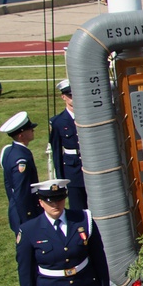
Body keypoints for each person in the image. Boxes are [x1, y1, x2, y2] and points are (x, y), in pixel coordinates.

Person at [0, 111, 41, 233]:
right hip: (25, 213)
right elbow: (21, 191)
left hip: (16, 208)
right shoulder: (20, 160)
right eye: (29, 129)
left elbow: (9, 185)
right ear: (21, 135)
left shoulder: (8, 151)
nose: (32, 130)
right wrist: (28, 217)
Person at [49, 80, 87, 210]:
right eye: (70, 96)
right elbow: (56, 152)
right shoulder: (58, 122)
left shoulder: (89, 117)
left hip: (91, 167)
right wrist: (61, 179)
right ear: (63, 97)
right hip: (72, 170)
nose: (73, 99)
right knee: (78, 207)